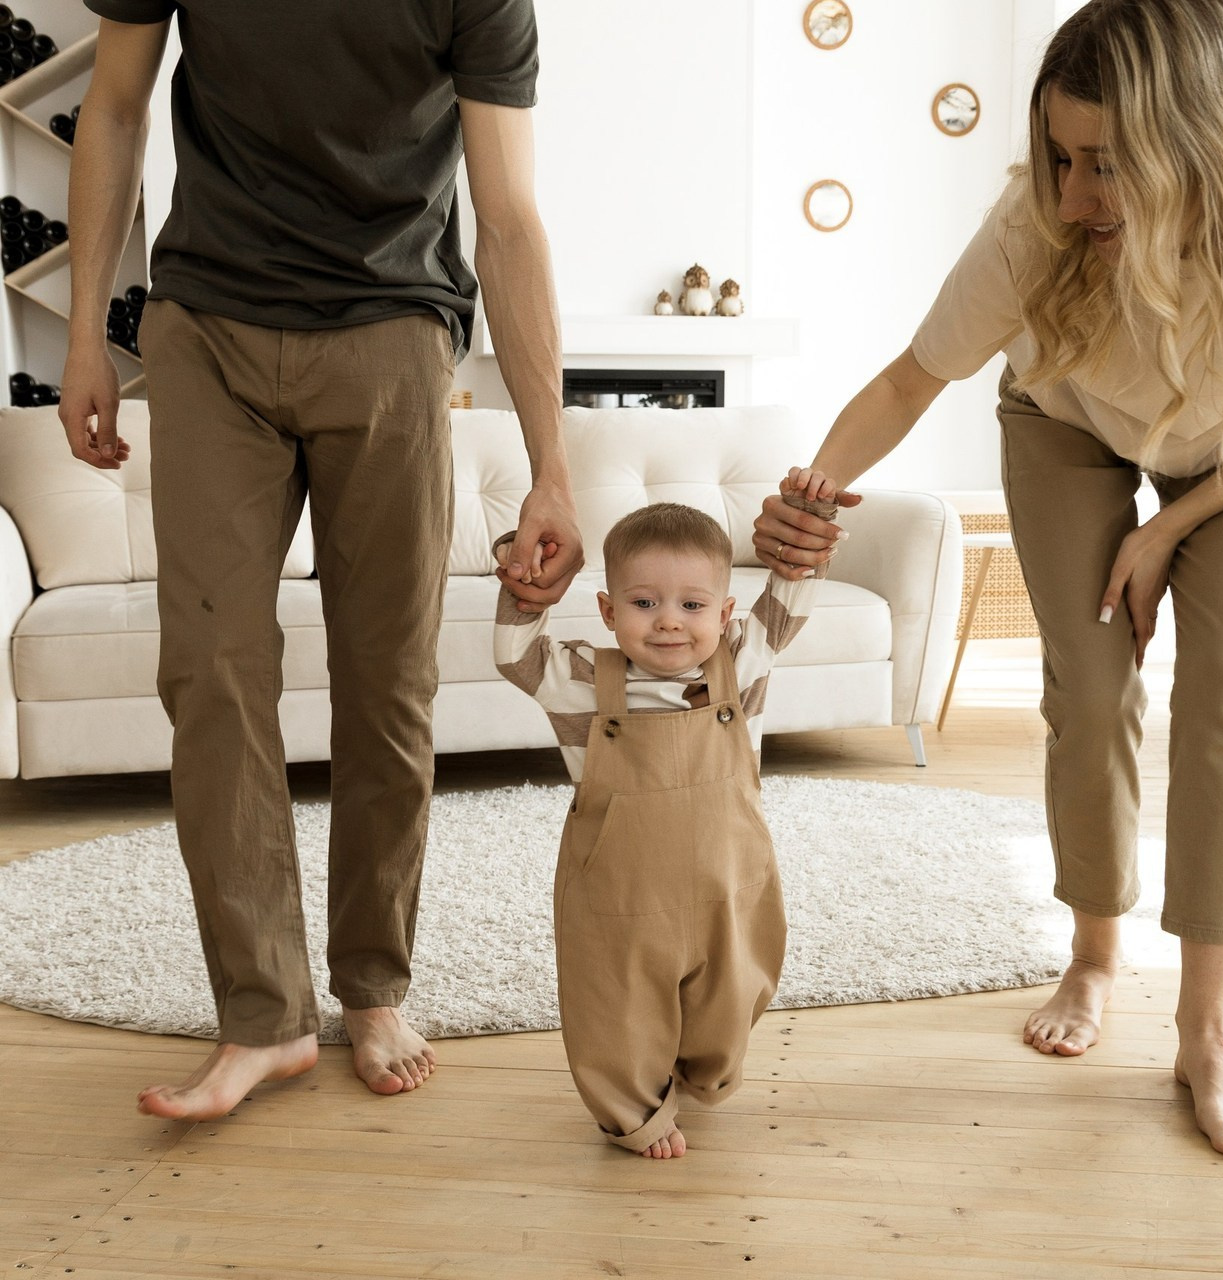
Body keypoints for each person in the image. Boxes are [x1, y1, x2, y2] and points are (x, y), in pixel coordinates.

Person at [755, 0, 1223, 1160]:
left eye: (1107, 163)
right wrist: (809, 495)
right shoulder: (1031, 230)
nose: (1075, 192)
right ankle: (1093, 955)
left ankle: (1205, 1026)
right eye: (1056, 156)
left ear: (1190, 147)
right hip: (1066, 420)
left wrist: (1167, 530)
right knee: (1089, 687)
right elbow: (907, 379)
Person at [57, 3, 583, 1122]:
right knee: (209, 666)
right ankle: (264, 1015)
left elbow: (510, 214)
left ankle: (373, 981)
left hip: (392, 325)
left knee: (388, 677)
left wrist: (551, 463)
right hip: (207, 320)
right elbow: (112, 104)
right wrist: (82, 335)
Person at [493, 484, 842, 1157]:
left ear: (726, 611)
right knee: (617, 1006)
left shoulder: (742, 662)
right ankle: (635, 1112)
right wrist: (522, 577)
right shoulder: (583, 681)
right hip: (621, 896)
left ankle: (702, 1072)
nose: (669, 622)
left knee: (731, 991)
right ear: (607, 608)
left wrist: (813, 521)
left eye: (692, 605)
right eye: (644, 603)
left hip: (729, 885)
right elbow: (514, 657)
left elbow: (793, 591)